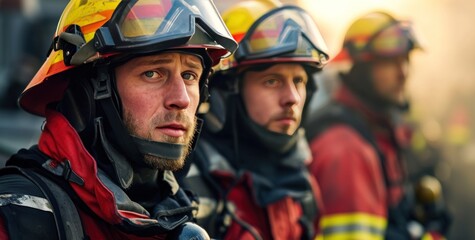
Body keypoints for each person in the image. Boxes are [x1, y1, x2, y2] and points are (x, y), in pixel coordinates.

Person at [0, 0, 237, 239]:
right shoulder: (18, 216)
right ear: (90, 93)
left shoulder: (184, 209)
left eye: (189, 75)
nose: (182, 99)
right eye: (152, 73)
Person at [179, 0, 330, 239]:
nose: (291, 98)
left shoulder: (303, 185)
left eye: (298, 81)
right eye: (272, 81)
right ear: (227, 91)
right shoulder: (187, 185)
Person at [305, 11, 451, 239]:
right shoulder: (346, 150)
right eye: (390, 61)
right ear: (362, 68)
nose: (403, 73)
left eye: (405, 60)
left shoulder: (378, 129)